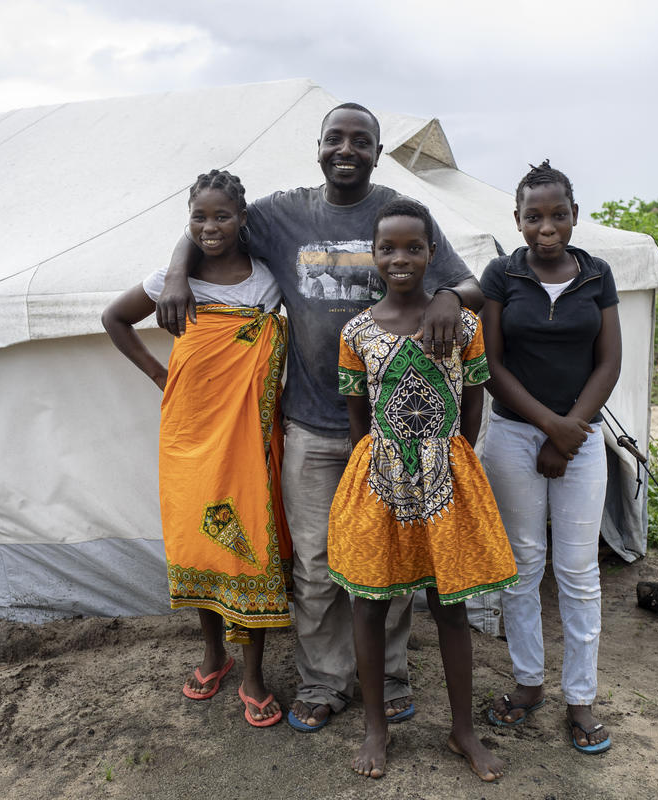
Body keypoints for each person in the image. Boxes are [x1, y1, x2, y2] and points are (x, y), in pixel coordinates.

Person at [154, 103, 483, 732]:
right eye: (336, 138)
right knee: (314, 563)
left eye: (361, 141)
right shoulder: (283, 213)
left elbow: (467, 283)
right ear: (319, 145)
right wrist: (175, 275)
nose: (346, 150)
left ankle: (389, 677)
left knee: (390, 559)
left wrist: (447, 294)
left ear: (377, 152)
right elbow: (211, 224)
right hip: (309, 424)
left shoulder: (399, 211)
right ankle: (324, 680)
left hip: (392, 432)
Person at [328, 199, 516, 781]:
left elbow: (474, 406)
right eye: (388, 248)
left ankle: (463, 730)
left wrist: (447, 461)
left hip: (446, 479)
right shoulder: (356, 332)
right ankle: (376, 728)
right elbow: (359, 419)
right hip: (379, 479)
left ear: (433, 253)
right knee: (370, 604)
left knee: (450, 605)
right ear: (374, 255)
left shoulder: (463, 326)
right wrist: (380, 468)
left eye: (414, 247)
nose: (400, 258)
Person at [101, 169, 291, 728]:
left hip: (248, 431)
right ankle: (213, 654)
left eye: (222, 216)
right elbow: (114, 318)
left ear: (242, 219)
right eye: (199, 217)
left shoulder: (268, 278)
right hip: (189, 432)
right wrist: (161, 377)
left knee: (247, 541)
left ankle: (253, 674)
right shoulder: (170, 281)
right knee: (198, 542)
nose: (210, 226)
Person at [479, 162, 622, 754]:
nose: (547, 227)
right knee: (523, 563)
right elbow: (491, 365)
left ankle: (581, 697)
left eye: (558, 214)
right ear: (517, 219)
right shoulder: (501, 274)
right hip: (514, 436)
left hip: (581, 439)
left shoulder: (598, 274)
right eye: (533, 216)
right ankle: (529, 682)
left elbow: (609, 362)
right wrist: (548, 428)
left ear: (574, 215)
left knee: (579, 571)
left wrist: (569, 434)